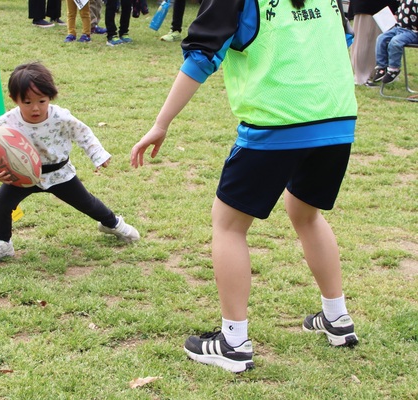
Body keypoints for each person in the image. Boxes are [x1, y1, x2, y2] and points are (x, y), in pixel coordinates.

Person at [130, 0, 359, 373]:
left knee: (228, 224)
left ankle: (233, 342)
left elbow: (202, 56)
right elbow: (342, 39)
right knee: (305, 213)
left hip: (276, 121)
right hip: (337, 119)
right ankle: (337, 318)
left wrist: (161, 123)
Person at [0, 62, 140, 264]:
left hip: (59, 173)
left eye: (42, 101)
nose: (35, 108)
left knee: (87, 203)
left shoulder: (61, 117)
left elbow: (83, 134)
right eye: (27, 102)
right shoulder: (6, 122)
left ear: (51, 97)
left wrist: (98, 154)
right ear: (14, 99)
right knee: (2, 203)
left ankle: (112, 223)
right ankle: (2, 243)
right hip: (20, 175)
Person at [348, 0, 399, 85]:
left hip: (386, 6)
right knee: (363, 40)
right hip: (366, 5)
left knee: (383, 39)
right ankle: (361, 76)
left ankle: (380, 72)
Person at [370, 0, 418, 84]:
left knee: (395, 42)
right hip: (398, 27)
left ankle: (394, 69)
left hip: (413, 32)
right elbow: (399, 12)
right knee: (381, 38)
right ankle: (382, 67)